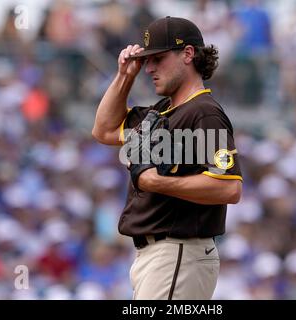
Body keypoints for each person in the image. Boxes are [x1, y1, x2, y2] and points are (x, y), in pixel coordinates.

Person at [92, 16, 243, 300]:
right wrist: (126, 76)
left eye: (158, 58)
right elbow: (104, 130)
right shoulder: (160, 111)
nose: (149, 67)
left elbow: (229, 188)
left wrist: (156, 182)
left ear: (187, 54)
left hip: (179, 250)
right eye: (147, 60)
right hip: (160, 256)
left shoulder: (204, 112)